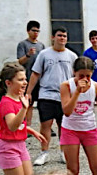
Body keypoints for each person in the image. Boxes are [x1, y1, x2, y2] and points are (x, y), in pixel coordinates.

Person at [27, 26, 77, 167]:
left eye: (64, 36)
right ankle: (44, 152)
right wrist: (28, 92)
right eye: (60, 35)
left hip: (65, 96)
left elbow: (76, 77)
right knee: (46, 124)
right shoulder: (44, 54)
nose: (62, 38)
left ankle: (63, 152)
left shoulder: (72, 56)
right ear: (53, 37)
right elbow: (36, 74)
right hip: (46, 95)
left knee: (64, 126)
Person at [17, 20, 45, 126]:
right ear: (28, 31)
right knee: (28, 103)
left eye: (38, 31)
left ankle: (45, 125)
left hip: (41, 79)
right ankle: (26, 125)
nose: (36, 33)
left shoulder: (41, 45)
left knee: (43, 104)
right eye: (33, 30)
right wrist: (28, 55)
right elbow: (20, 61)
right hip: (27, 78)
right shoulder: (23, 44)